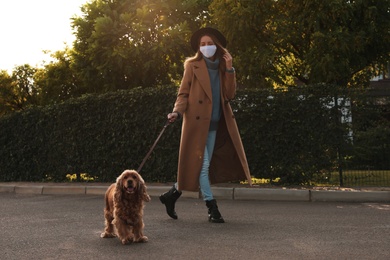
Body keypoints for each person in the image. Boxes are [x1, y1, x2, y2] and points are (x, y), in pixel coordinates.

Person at [159, 27, 252, 223]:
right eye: (202, 44)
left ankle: (171, 195)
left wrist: (229, 69)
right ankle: (212, 208)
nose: (206, 47)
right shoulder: (192, 65)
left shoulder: (222, 66)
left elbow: (229, 94)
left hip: (216, 124)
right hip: (196, 124)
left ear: (217, 46)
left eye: (209, 44)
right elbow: (183, 93)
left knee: (199, 166)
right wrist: (177, 111)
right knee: (202, 167)